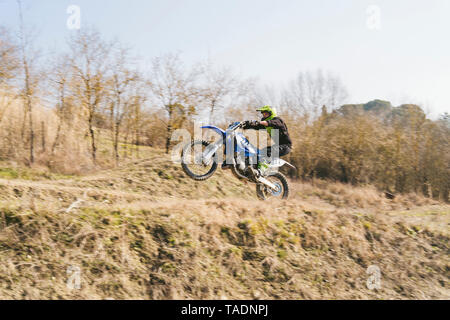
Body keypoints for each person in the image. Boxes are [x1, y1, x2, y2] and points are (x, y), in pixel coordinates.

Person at [223, 105, 292, 177]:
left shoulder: (278, 121)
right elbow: (255, 126)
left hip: (286, 146)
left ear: (272, 113)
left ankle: (261, 171)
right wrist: (242, 124)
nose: (264, 115)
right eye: (263, 114)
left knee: (266, 152)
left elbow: (270, 122)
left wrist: (258, 122)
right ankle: (250, 169)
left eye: (266, 114)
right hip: (276, 146)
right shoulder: (265, 124)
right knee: (256, 152)